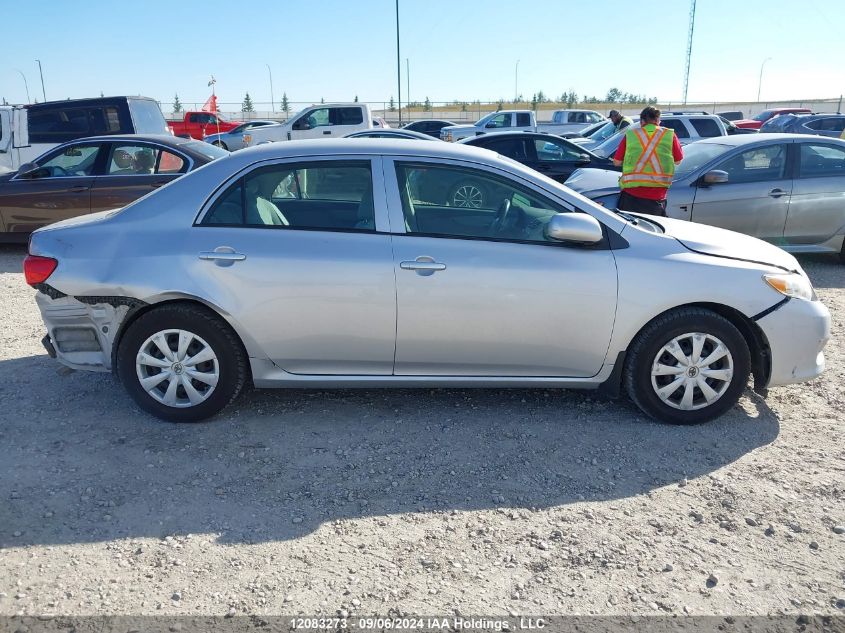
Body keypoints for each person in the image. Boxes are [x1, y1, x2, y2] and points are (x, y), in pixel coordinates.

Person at [612, 106, 683, 217]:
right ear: (658, 121)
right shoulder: (669, 135)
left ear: (642, 121)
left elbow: (616, 162)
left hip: (631, 197)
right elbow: (678, 161)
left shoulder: (631, 135)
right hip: (657, 199)